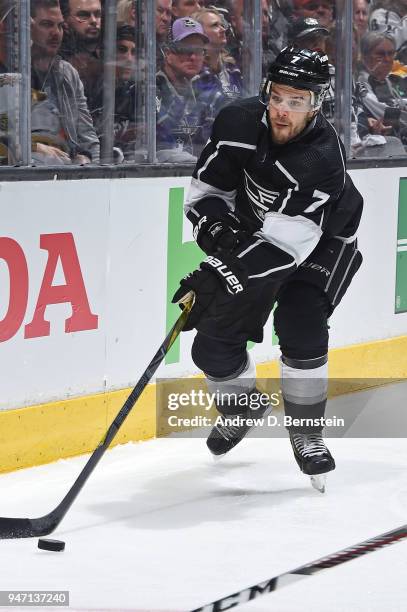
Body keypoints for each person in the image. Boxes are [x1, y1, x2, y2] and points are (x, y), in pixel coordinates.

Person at [172, 46, 363, 490]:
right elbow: (204, 195)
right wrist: (219, 237)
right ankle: (242, 407)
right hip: (253, 234)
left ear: (316, 103)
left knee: (301, 324)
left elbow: (287, 245)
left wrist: (223, 270)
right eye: (277, 96)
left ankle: (307, 434)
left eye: (296, 101)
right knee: (212, 344)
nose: (282, 110)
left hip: (322, 243)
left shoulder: (321, 157)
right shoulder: (237, 121)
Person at [30, 0, 99, 164]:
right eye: (47, 25)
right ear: (29, 27)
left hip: (66, 169)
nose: (56, 33)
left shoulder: (67, 73)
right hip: (25, 171)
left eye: (60, 26)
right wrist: (30, 148)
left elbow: (87, 136)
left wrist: (94, 167)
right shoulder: (11, 73)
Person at [156, 17, 213, 162]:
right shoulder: (150, 88)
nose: (193, 57)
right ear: (168, 54)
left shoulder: (203, 90)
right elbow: (158, 148)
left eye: (199, 50)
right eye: (185, 49)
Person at [358, 31, 407, 146]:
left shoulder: (392, 80)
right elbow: (382, 112)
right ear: (365, 57)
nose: (387, 59)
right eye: (380, 54)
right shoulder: (361, 82)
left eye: (391, 53)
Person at [191, 7, 242, 105]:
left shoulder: (232, 69)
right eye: (215, 25)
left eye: (222, 25)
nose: (222, 29)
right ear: (200, 33)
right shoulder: (195, 71)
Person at [59, 0, 103, 114]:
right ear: (65, 20)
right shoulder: (54, 62)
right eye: (83, 15)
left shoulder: (109, 56)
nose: (94, 21)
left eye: (98, 14)